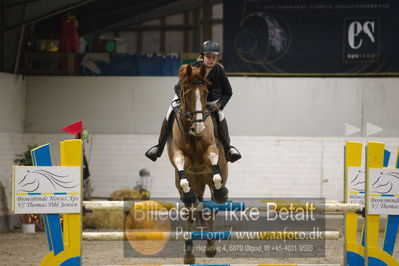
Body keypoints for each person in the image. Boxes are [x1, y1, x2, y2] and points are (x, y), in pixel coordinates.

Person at [145, 40, 241, 163]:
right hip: (188, 99)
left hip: (210, 102)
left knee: (221, 116)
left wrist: (220, 104)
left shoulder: (219, 71)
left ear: (217, 58)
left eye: (213, 57)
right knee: (169, 113)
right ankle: (158, 148)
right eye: (208, 57)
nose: (211, 60)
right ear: (203, 56)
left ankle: (229, 149)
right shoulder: (193, 67)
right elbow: (178, 86)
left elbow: (228, 92)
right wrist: (184, 99)